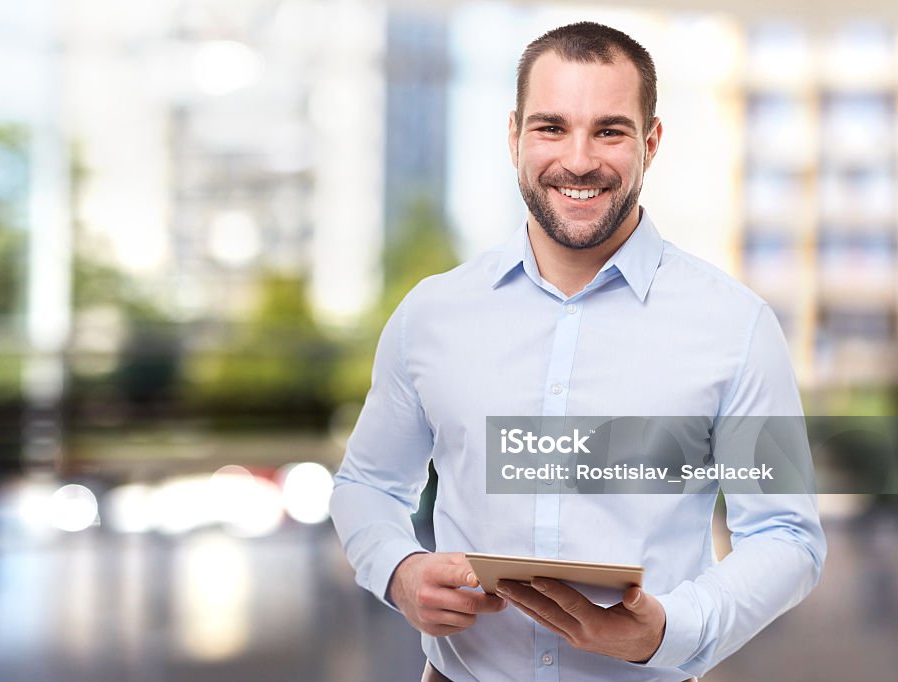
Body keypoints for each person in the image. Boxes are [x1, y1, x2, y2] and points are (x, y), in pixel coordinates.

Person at [330, 21, 826, 682]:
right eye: (552, 127)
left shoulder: (736, 327)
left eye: (610, 130)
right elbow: (366, 484)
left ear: (650, 142)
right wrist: (400, 571)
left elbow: (787, 537)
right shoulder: (431, 314)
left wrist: (673, 629)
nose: (580, 159)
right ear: (514, 137)